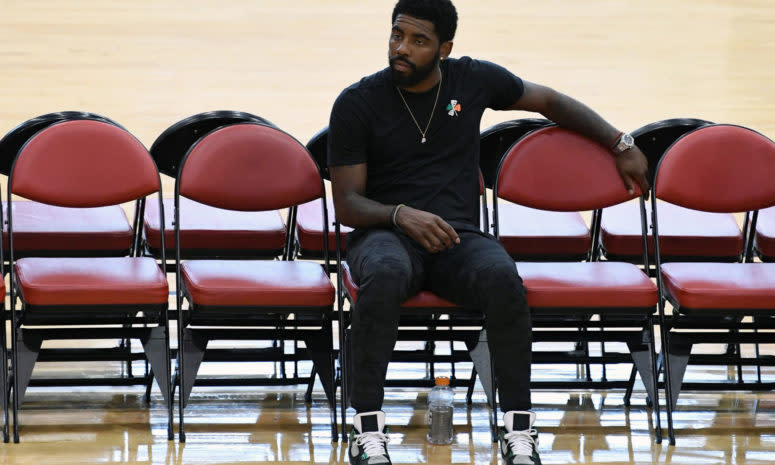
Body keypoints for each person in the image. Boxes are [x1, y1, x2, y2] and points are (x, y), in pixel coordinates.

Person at [327, 1, 649, 464]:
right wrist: (401, 215)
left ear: (445, 48)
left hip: (457, 238)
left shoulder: (472, 80)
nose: (402, 48)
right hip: (385, 232)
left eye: (418, 41)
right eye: (397, 35)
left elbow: (550, 102)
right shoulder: (357, 103)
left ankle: (518, 427)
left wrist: (620, 142)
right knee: (384, 272)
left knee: (502, 277)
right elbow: (348, 204)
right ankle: (367, 427)